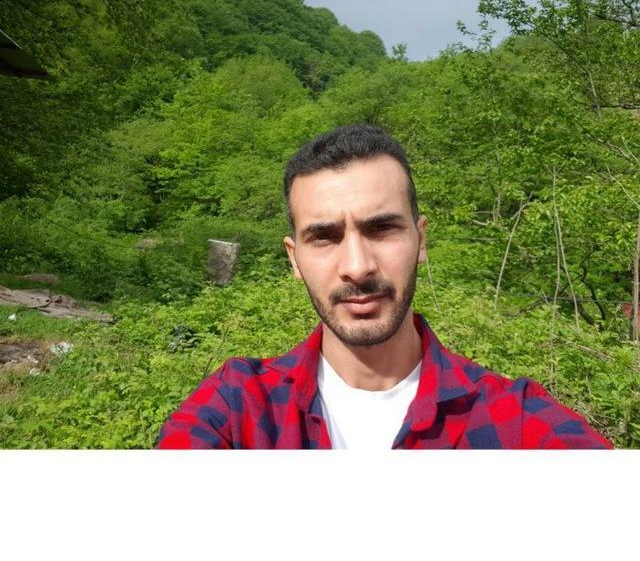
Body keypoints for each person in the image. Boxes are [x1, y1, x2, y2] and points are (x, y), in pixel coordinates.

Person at [156, 124, 612, 449]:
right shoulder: (236, 408)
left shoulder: (518, 421)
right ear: (294, 259)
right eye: (324, 237)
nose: (357, 267)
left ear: (420, 240)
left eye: (381, 229)